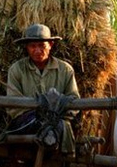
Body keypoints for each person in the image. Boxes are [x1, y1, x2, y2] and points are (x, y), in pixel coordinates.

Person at [6, 23, 80, 152]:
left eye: (42, 45)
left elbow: (74, 100)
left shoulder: (65, 70)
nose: (37, 50)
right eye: (32, 46)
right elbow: (13, 105)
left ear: (50, 45)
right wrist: (37, 116)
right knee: (37, 124)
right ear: (27, 47)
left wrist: (55, 115)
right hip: (28, 122)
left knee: (58, 126)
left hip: (59, 122)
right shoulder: (16, 69)